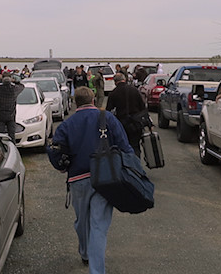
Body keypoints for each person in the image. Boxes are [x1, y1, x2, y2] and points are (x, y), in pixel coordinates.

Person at [47, 87, 134, 274]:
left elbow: (55, 151)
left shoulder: (67, 124)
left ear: (76, 102)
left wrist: (63, 168)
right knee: (98, 226)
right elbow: (125, 147)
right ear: (94, 100)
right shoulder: (108, 119)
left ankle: (85, 252)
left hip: (78, 179)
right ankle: (96, 269)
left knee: (82, 221)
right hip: (105, 179)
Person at [105, 73, 148, 157]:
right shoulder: (134, 90)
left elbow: (108, 111)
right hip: (136, 123)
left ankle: (125, 165)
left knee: (122, 146)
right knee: (135, 146)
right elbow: (143, 107)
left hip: (121, 124)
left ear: (115, 82)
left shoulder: (113, 93)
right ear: (124, 79)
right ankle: (136, 165)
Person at [0, 75, 24, 142]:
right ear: (10, 82)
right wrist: (14, 81)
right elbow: (22, 86)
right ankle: (13, 148)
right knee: (12, 136)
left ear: (2, 82)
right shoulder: (14, 89)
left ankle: (0, 149)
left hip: (0, 116)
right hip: (11, 116)